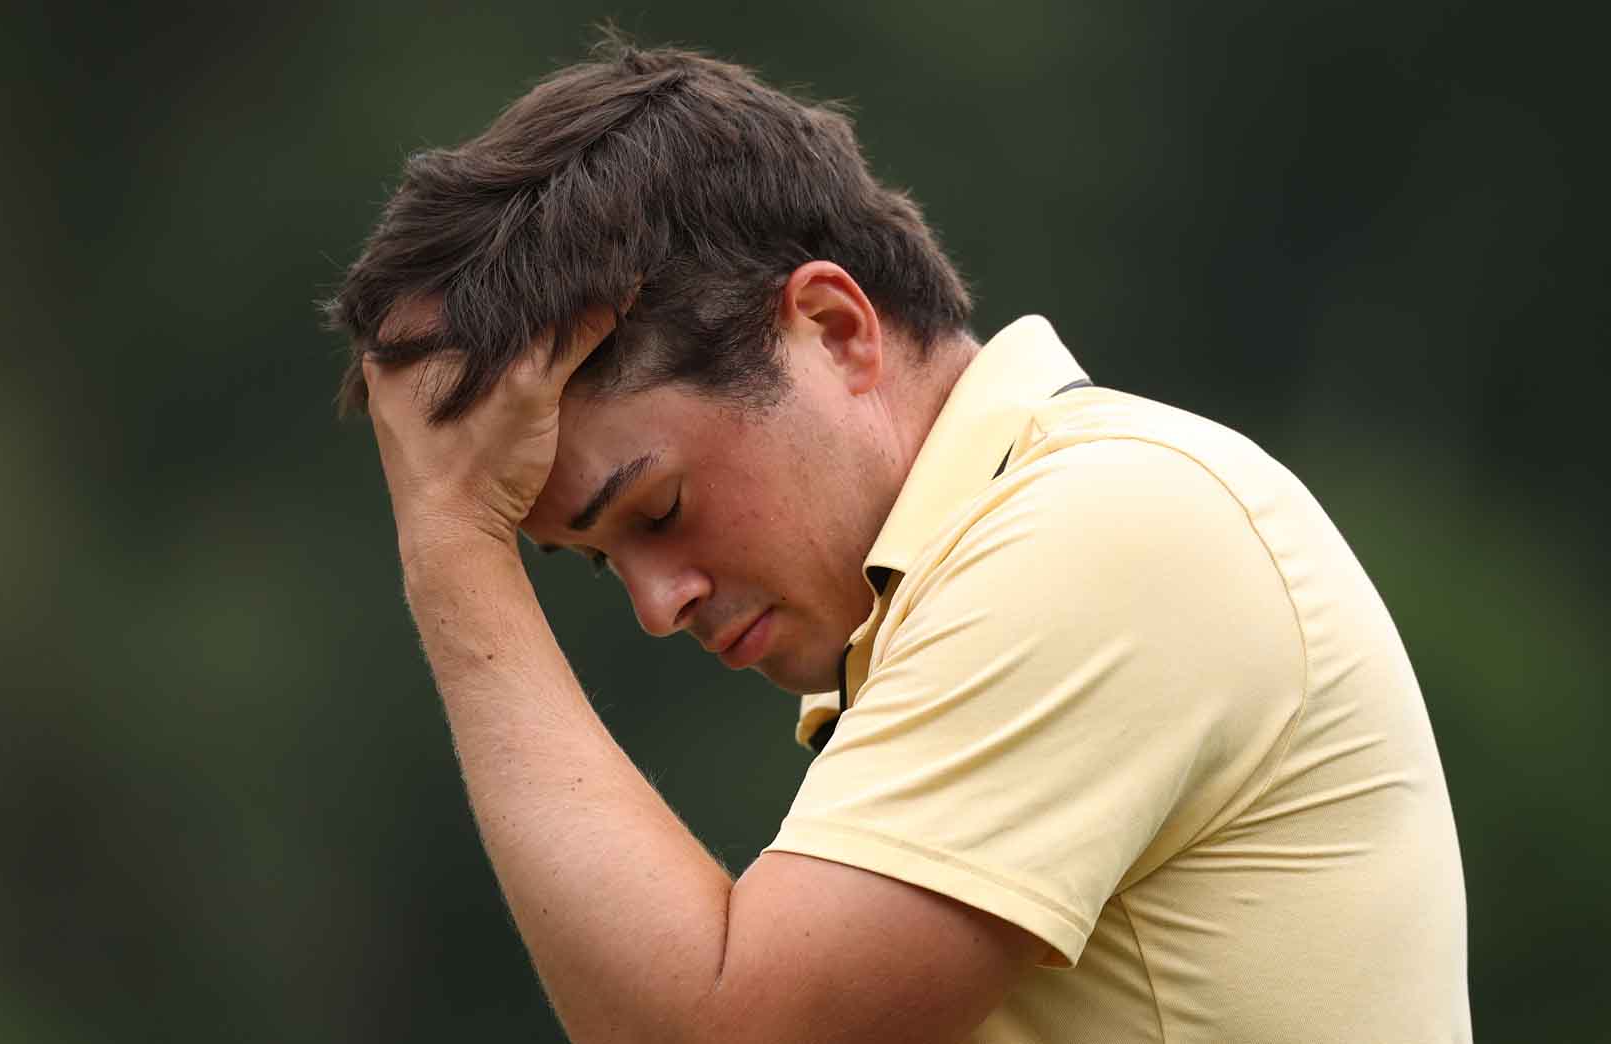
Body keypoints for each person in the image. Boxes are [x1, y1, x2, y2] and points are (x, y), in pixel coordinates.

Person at [328, 36, 1471, 1043]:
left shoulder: (1102, 531)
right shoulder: (996, 562)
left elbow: (716, 1030)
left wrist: (451, 544)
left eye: (658, 509)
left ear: (830, 329)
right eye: (595, 558)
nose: (653, 604)